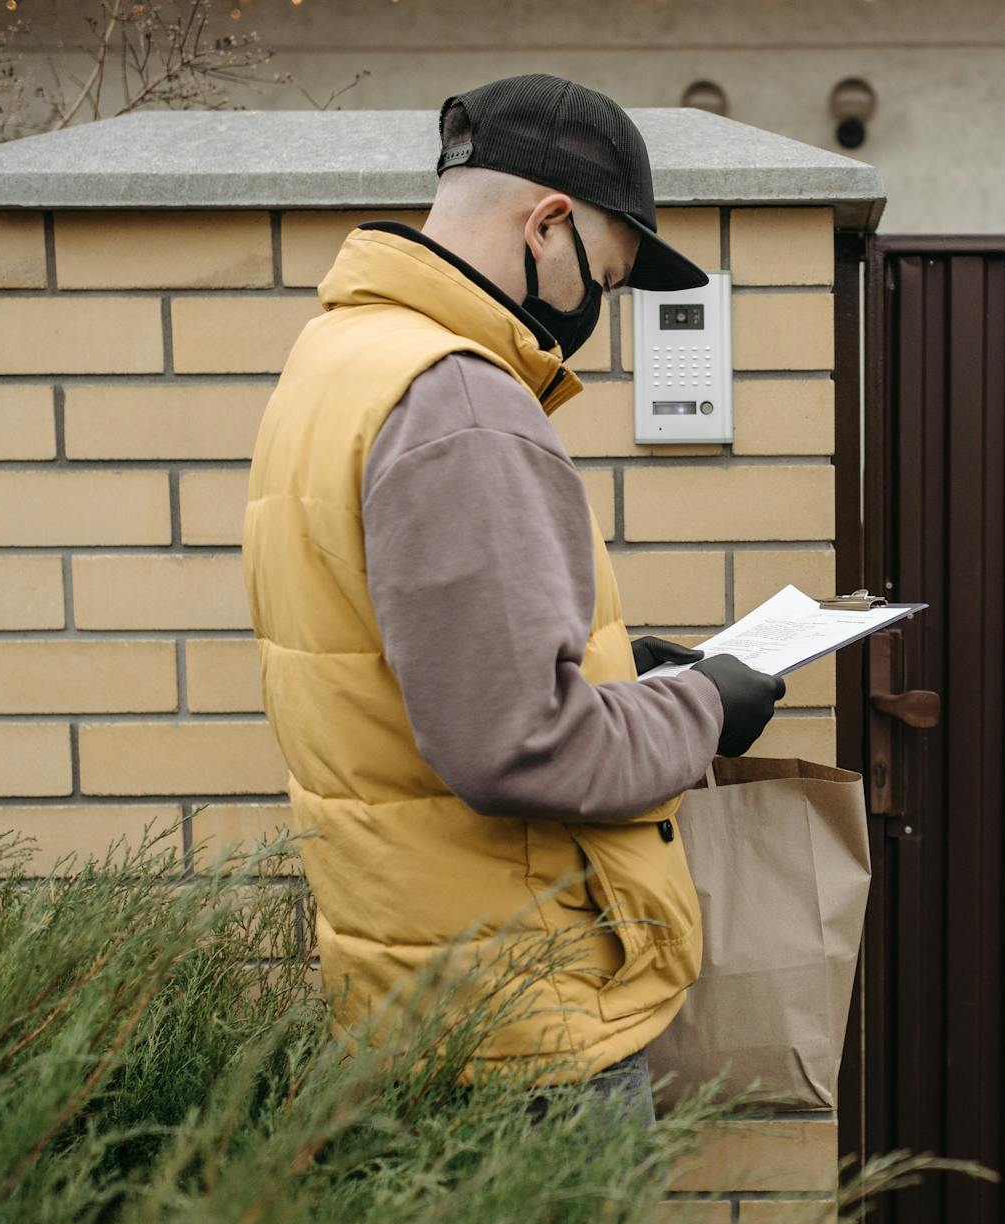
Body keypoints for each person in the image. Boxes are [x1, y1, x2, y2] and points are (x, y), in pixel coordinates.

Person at [241, 73, 786, 1125]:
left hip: (418, 991)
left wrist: (628, 677)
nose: (597, 312)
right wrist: (706, 706)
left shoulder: (335, 360)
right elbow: (517, 744)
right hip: (522, 1030)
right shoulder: (460, 402)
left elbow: (407, 664)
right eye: (606, 278)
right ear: (546, 226)